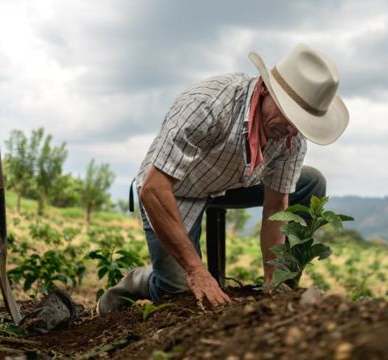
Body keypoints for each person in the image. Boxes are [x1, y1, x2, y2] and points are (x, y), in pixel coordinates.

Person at [97, 43, 349, 314]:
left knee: (311, 182)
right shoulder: (208, 106)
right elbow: (154, 188)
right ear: (265, 89)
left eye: (299, 124)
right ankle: (140, 281)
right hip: (175, 189)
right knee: (178, 292)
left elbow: (277, 206)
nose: (291, 131)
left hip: (231, 182)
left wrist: (273, 281)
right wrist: (196, 270)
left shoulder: (290, 137)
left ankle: (284, 289)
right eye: (289, 116)